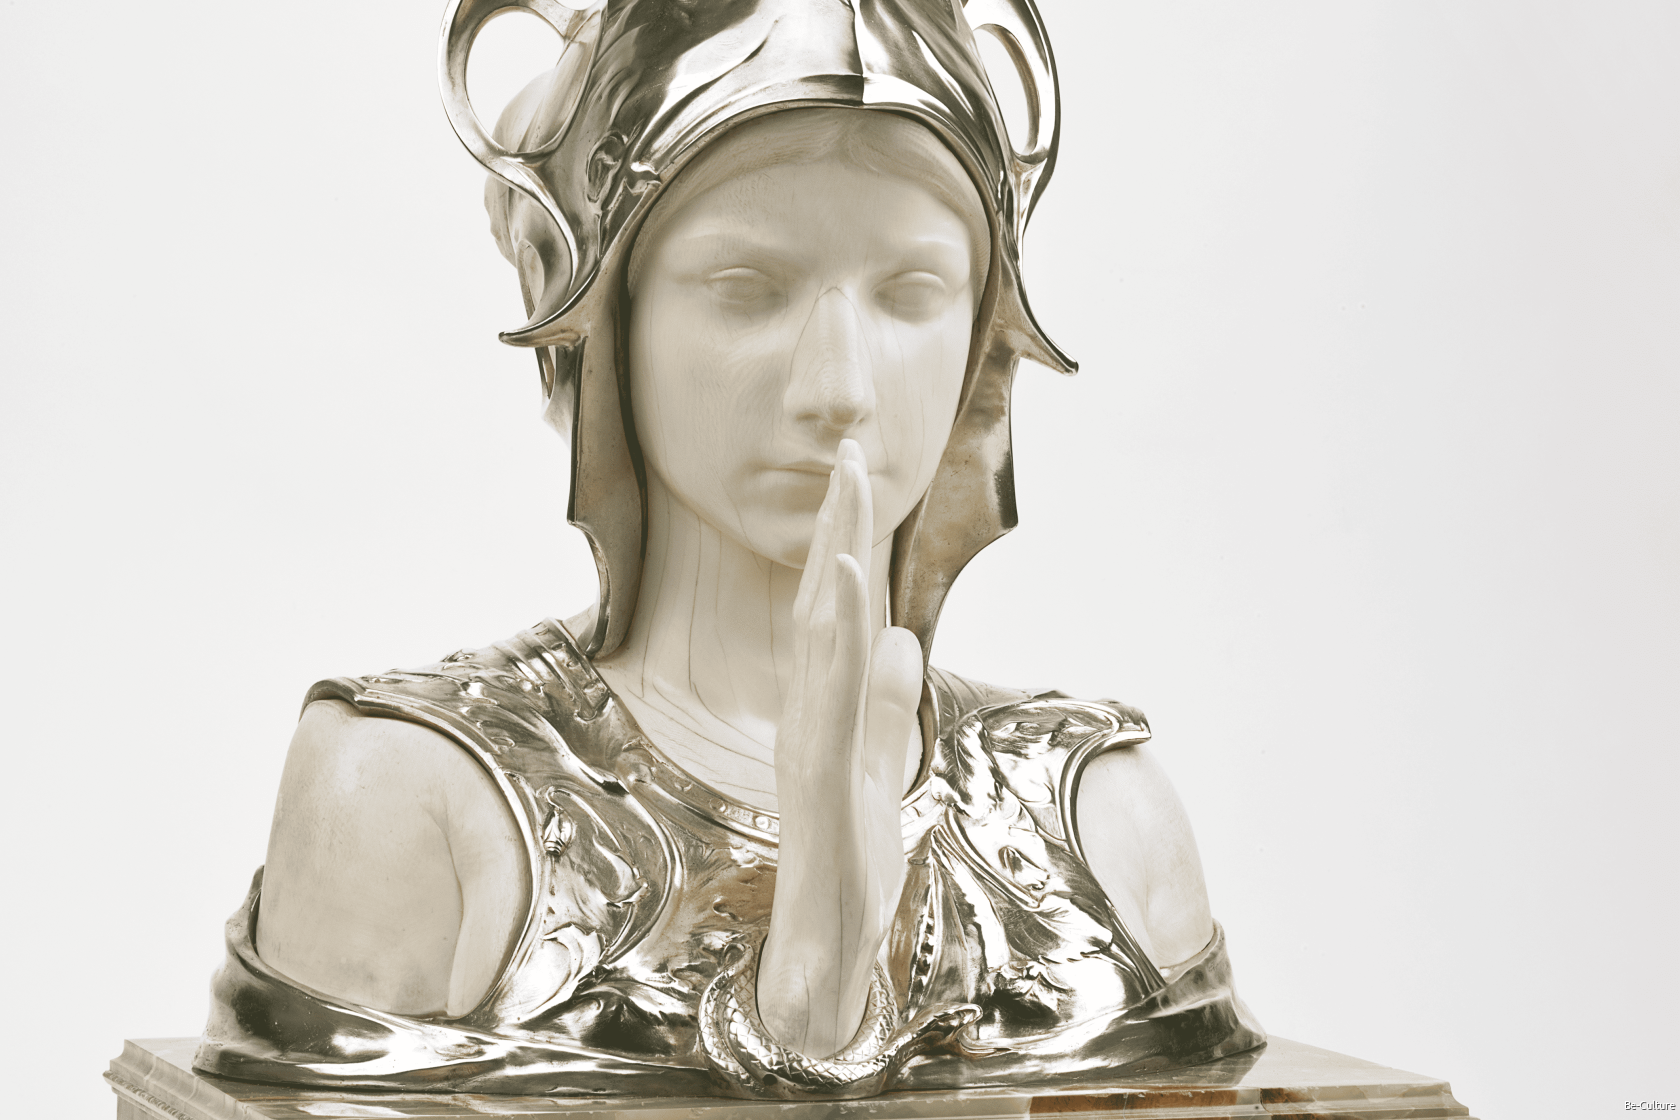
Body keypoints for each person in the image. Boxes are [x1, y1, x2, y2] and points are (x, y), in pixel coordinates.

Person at [195, 0, 1263, 1099]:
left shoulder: (1099, 823)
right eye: (746, 289)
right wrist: (797, 1007)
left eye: (913, 293)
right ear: (601, 323)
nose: (840, 387)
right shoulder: (416, 798)